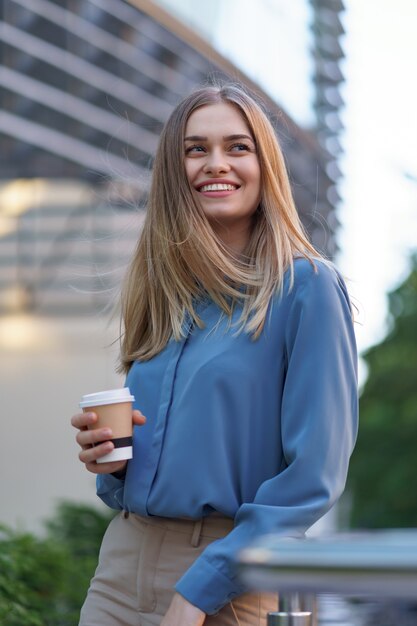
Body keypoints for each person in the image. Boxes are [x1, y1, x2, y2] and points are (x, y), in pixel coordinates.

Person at [72, 82, 358, 626]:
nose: (215, 163)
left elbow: (312, 478)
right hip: (121, 568)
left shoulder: (308, 288)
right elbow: (133, 472)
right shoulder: (162, 291)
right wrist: (108, 460)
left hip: (234, 581)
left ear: (264, 165)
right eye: (195, 149)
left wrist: (199, 591)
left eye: (237, 146)